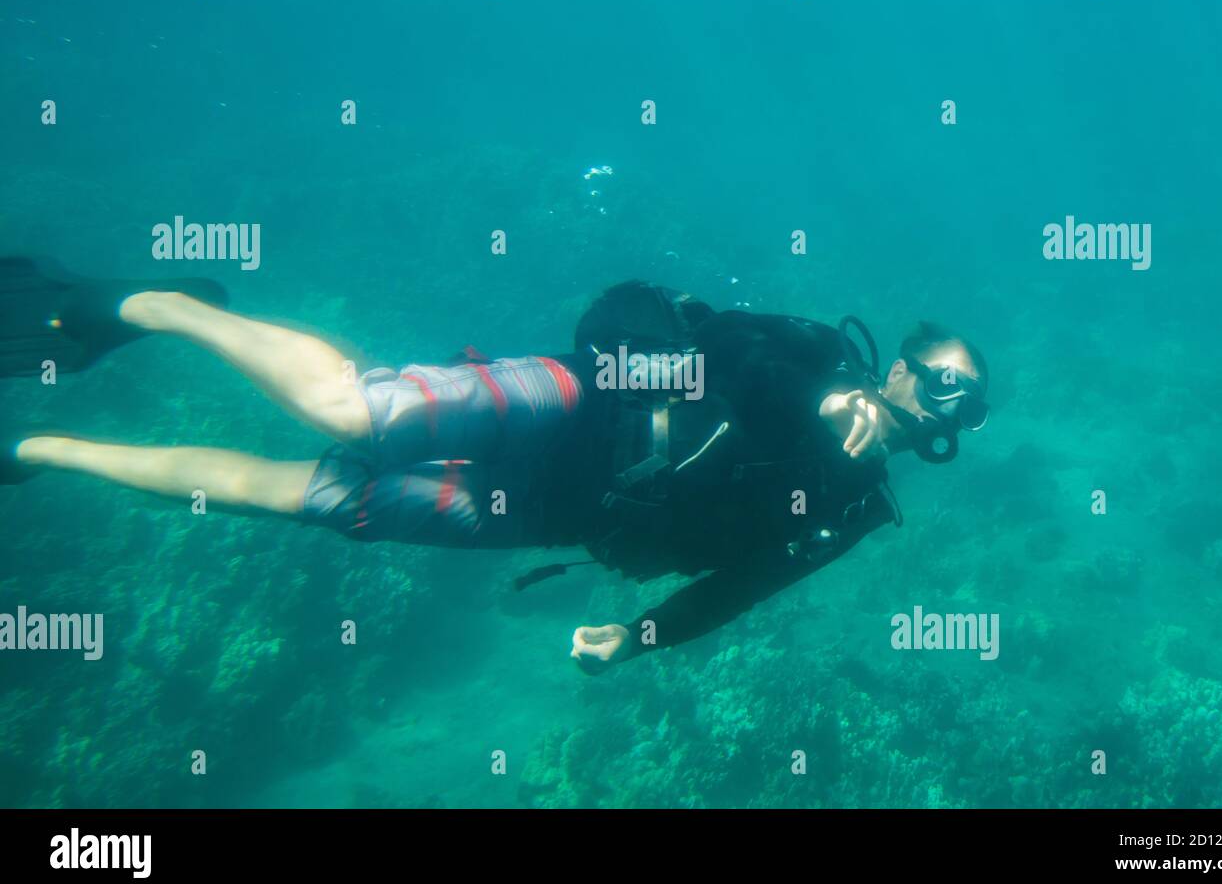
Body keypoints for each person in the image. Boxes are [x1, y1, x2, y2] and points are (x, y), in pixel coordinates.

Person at [0, 261, 989, 672]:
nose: (925, 383)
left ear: (951, 428)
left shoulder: (855, 507)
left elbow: (747, 585)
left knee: (293, 495)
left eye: (953, 392)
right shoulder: (817, 350)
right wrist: (809, 401)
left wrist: (640, 637)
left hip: (554, 513)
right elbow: (704, 343)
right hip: (571, 399)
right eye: (927, 360)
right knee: (349, 407)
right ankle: (156, 304)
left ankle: (38, 451)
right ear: (897, 355)